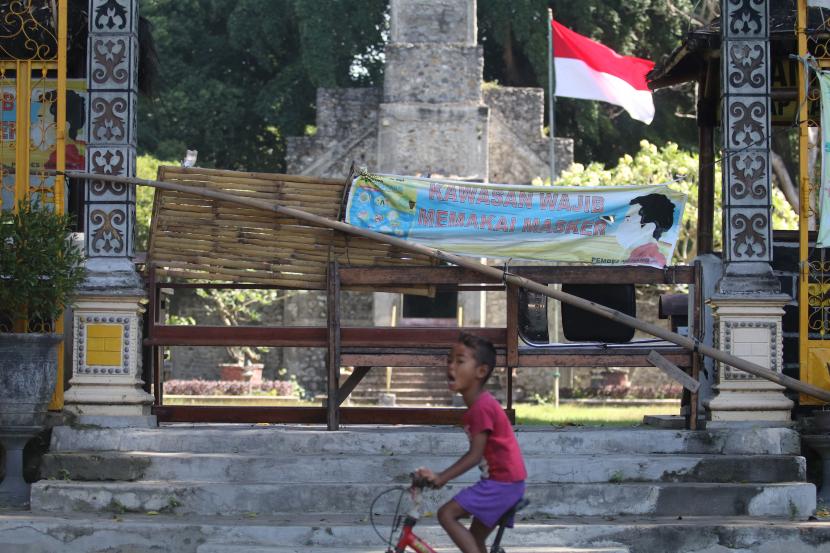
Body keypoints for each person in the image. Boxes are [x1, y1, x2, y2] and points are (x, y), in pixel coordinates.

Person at [414, 332, 527, 553]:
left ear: (481, 371)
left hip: (502, 484)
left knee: (446, 514)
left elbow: (475, 455)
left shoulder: (481, 408)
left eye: (460, 361)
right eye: (449, 360)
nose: (451, 367)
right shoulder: (479, 406)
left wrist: (441, 477)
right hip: (508, 483)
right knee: (475, 541)